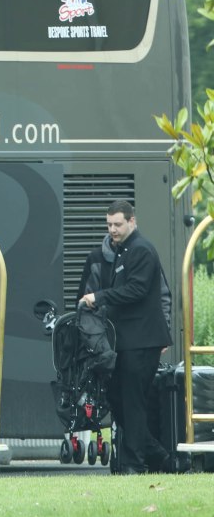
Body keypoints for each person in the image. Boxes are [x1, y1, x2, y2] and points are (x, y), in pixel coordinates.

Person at [80, 200, 177, 474]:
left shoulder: (142, 250)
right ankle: (160, 457)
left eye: (118, 224)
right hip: (128, 340)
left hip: (143, 340)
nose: (113, 229)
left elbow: (136, 290)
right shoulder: (123, 251)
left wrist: (98, 297)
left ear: (132, 222)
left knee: (132, 402)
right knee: (117, 398)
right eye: (109, 224)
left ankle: (134, 464)